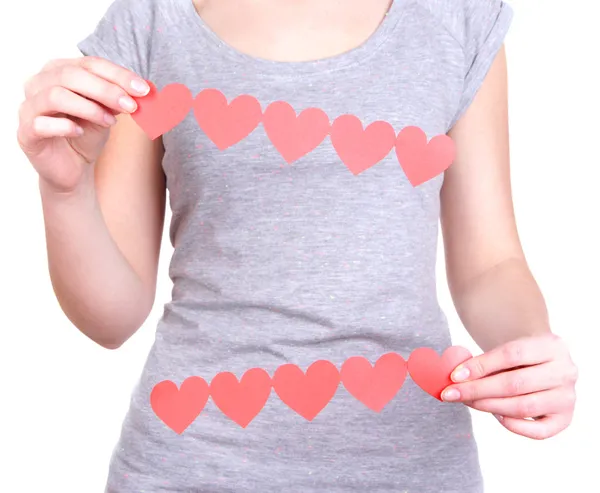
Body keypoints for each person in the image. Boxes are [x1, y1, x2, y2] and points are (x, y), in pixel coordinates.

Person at [17, 0, 578, 491]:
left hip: (413, 467)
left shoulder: (459, 18)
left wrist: (526, 352)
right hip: (192, 464)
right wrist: (64, 190)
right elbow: (110, 318)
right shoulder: (152, 22)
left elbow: (492, 264)